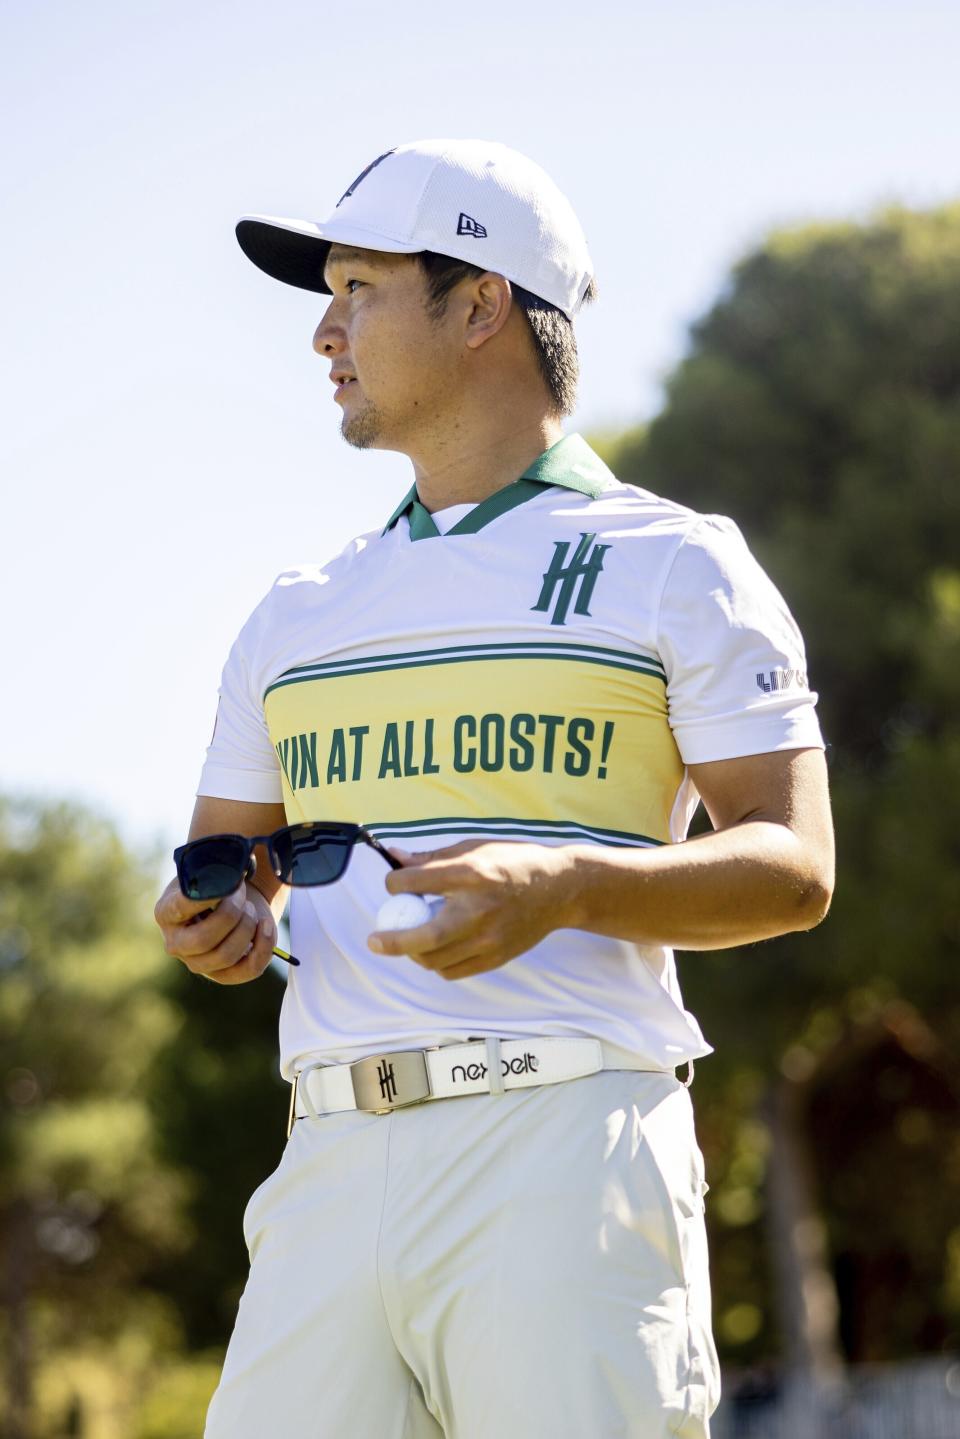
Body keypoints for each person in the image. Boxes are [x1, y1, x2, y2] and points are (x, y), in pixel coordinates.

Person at [154, 138, 834, 1439]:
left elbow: (796, 868)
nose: (321, 333)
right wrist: (218, 924)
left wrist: (573, 885)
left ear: (479, 308)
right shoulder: (295, 613)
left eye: (357, 288)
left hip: (569, 1142)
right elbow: (224, 869)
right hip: (328, 1163)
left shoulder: (677, 568)